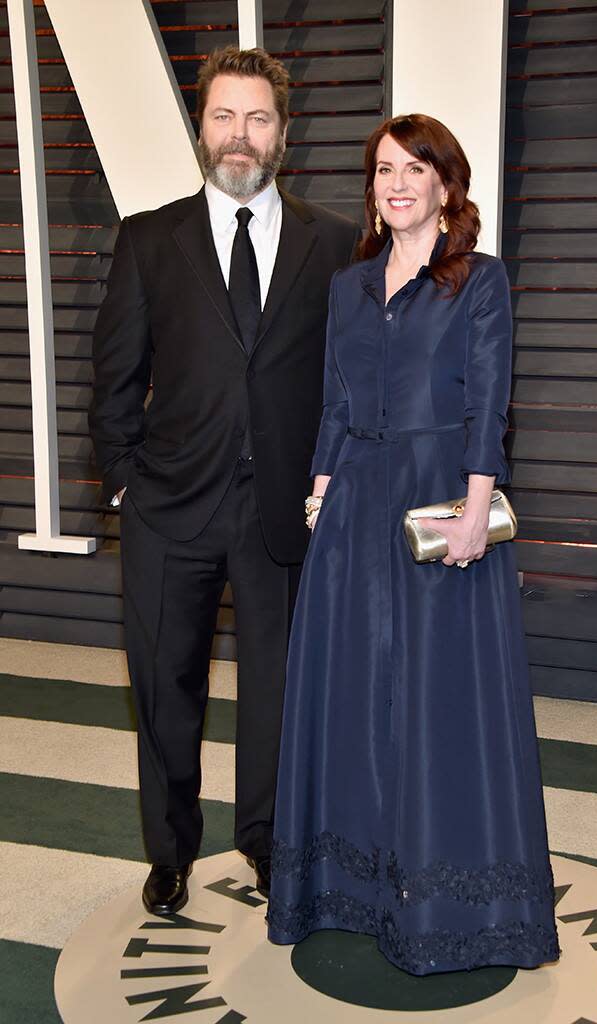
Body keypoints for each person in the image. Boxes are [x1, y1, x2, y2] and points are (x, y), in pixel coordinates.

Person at [267, 114, 560, 976]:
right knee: (352, 696)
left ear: (445, 184)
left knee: (440, 701)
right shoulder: (349, 286)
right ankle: (348, 885)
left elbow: (490, 402)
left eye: (414, 169)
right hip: (355, 505)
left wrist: (477, 508)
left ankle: (449, 896)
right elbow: (332, 398)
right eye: (383, 170)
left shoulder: (480, 280)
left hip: (440, 501)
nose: (396, 184)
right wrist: (320, 488)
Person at [89, 46, 360, 915]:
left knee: (277, 692)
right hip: (169, 509)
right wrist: (127, 480)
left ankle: (269, 844)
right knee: (164, 687)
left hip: (285, 510)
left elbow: (351, 379)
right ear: (200, 128)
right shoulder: (147, 237)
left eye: (257, 119)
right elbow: (113, 381)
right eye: (223, 117)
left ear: (284, 134)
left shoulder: (335, 243)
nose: (239, 136)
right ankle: (169, 851)